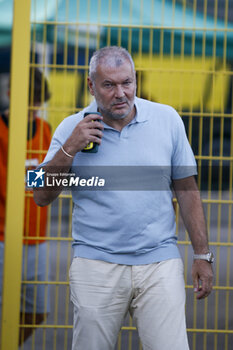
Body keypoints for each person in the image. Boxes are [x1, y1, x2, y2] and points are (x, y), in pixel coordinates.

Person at [34, 46, 213, 350]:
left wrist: (202, 254)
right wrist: (70, 148)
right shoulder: (70, 127)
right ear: (91, 86)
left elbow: (187, 188)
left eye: (127, 83)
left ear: (135, 81)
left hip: (159, 261)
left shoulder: (167, 119)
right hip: (95, 263)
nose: (121, 93)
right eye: (109, 84)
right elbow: (40, 195)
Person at [0, 67, 51, 345]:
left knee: (37, 310)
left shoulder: (44, 129)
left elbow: (41, 177)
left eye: (36, 107)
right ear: (10, 96)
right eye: (27, 107)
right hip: (2, 237)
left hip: (35, 237)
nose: (33, 113)